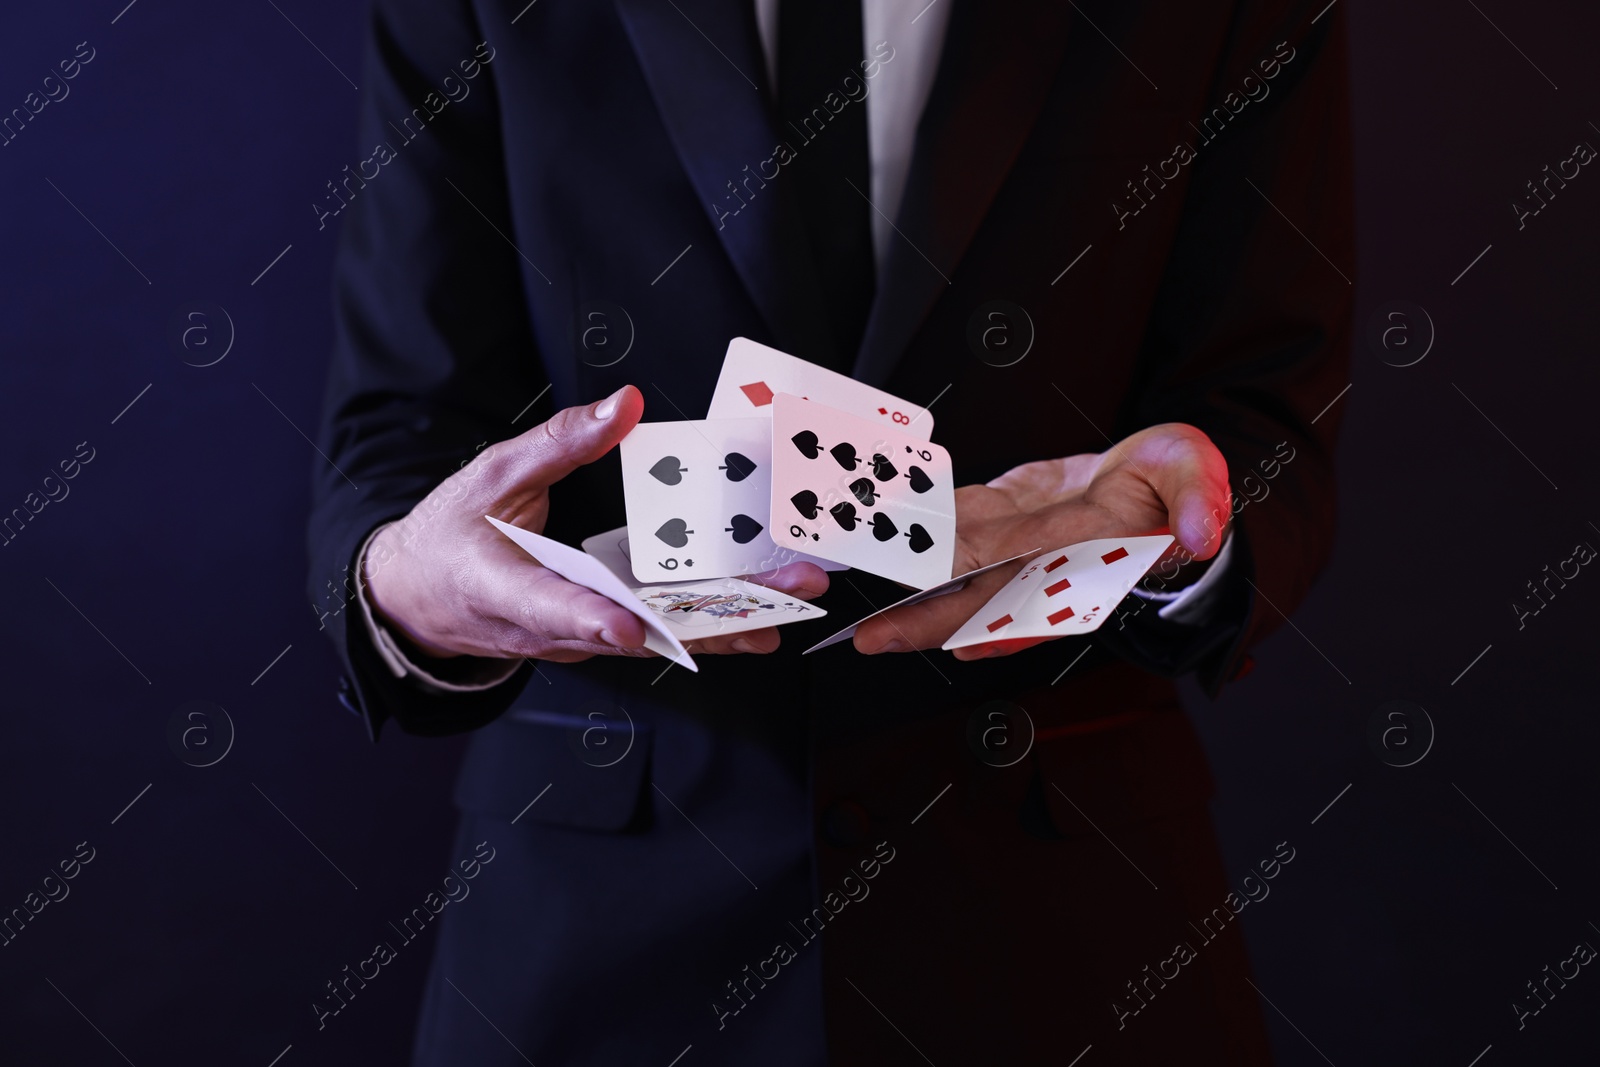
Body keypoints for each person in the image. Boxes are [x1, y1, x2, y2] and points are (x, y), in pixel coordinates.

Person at [308, 0, 1351, 1062]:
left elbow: (1264, 407)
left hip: (1060, 932)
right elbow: (400, 432)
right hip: (599, 944)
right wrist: (405, 580)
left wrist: (1179, 537)